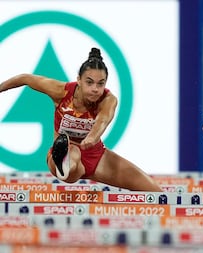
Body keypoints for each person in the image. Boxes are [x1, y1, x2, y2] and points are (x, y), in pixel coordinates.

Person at [0, 48, 162, 191]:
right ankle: (63, 164)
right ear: (79, 80)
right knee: (74, 153)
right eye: (89, 82)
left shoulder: (108, 99)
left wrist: (92, 137)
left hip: (97, 156)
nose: (95, 89)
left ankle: (68, 167)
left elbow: (103, 120)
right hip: (64, 154)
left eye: (101, 83)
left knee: (156, 193)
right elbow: (25, 78)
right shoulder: (61, 92)